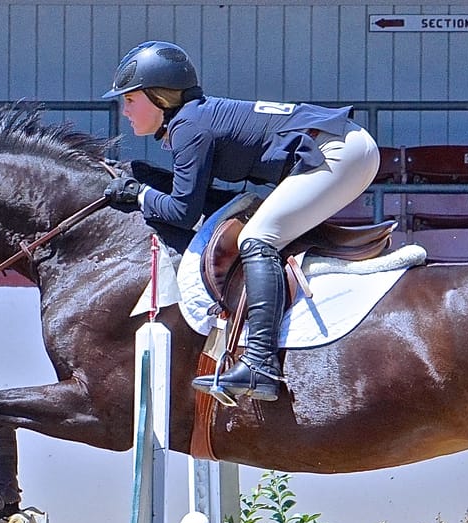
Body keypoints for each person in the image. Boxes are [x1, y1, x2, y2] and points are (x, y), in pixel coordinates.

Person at [102, 41, 380, 403]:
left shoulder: (189, 127)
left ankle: (260, 365)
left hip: (338, 152)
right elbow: (205, 201)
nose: (124, 110)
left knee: (257, 240)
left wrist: (139, 195)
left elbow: (183, 214)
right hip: (345, 146)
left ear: (159, 97)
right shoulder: (194, 119)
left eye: (130, 100)